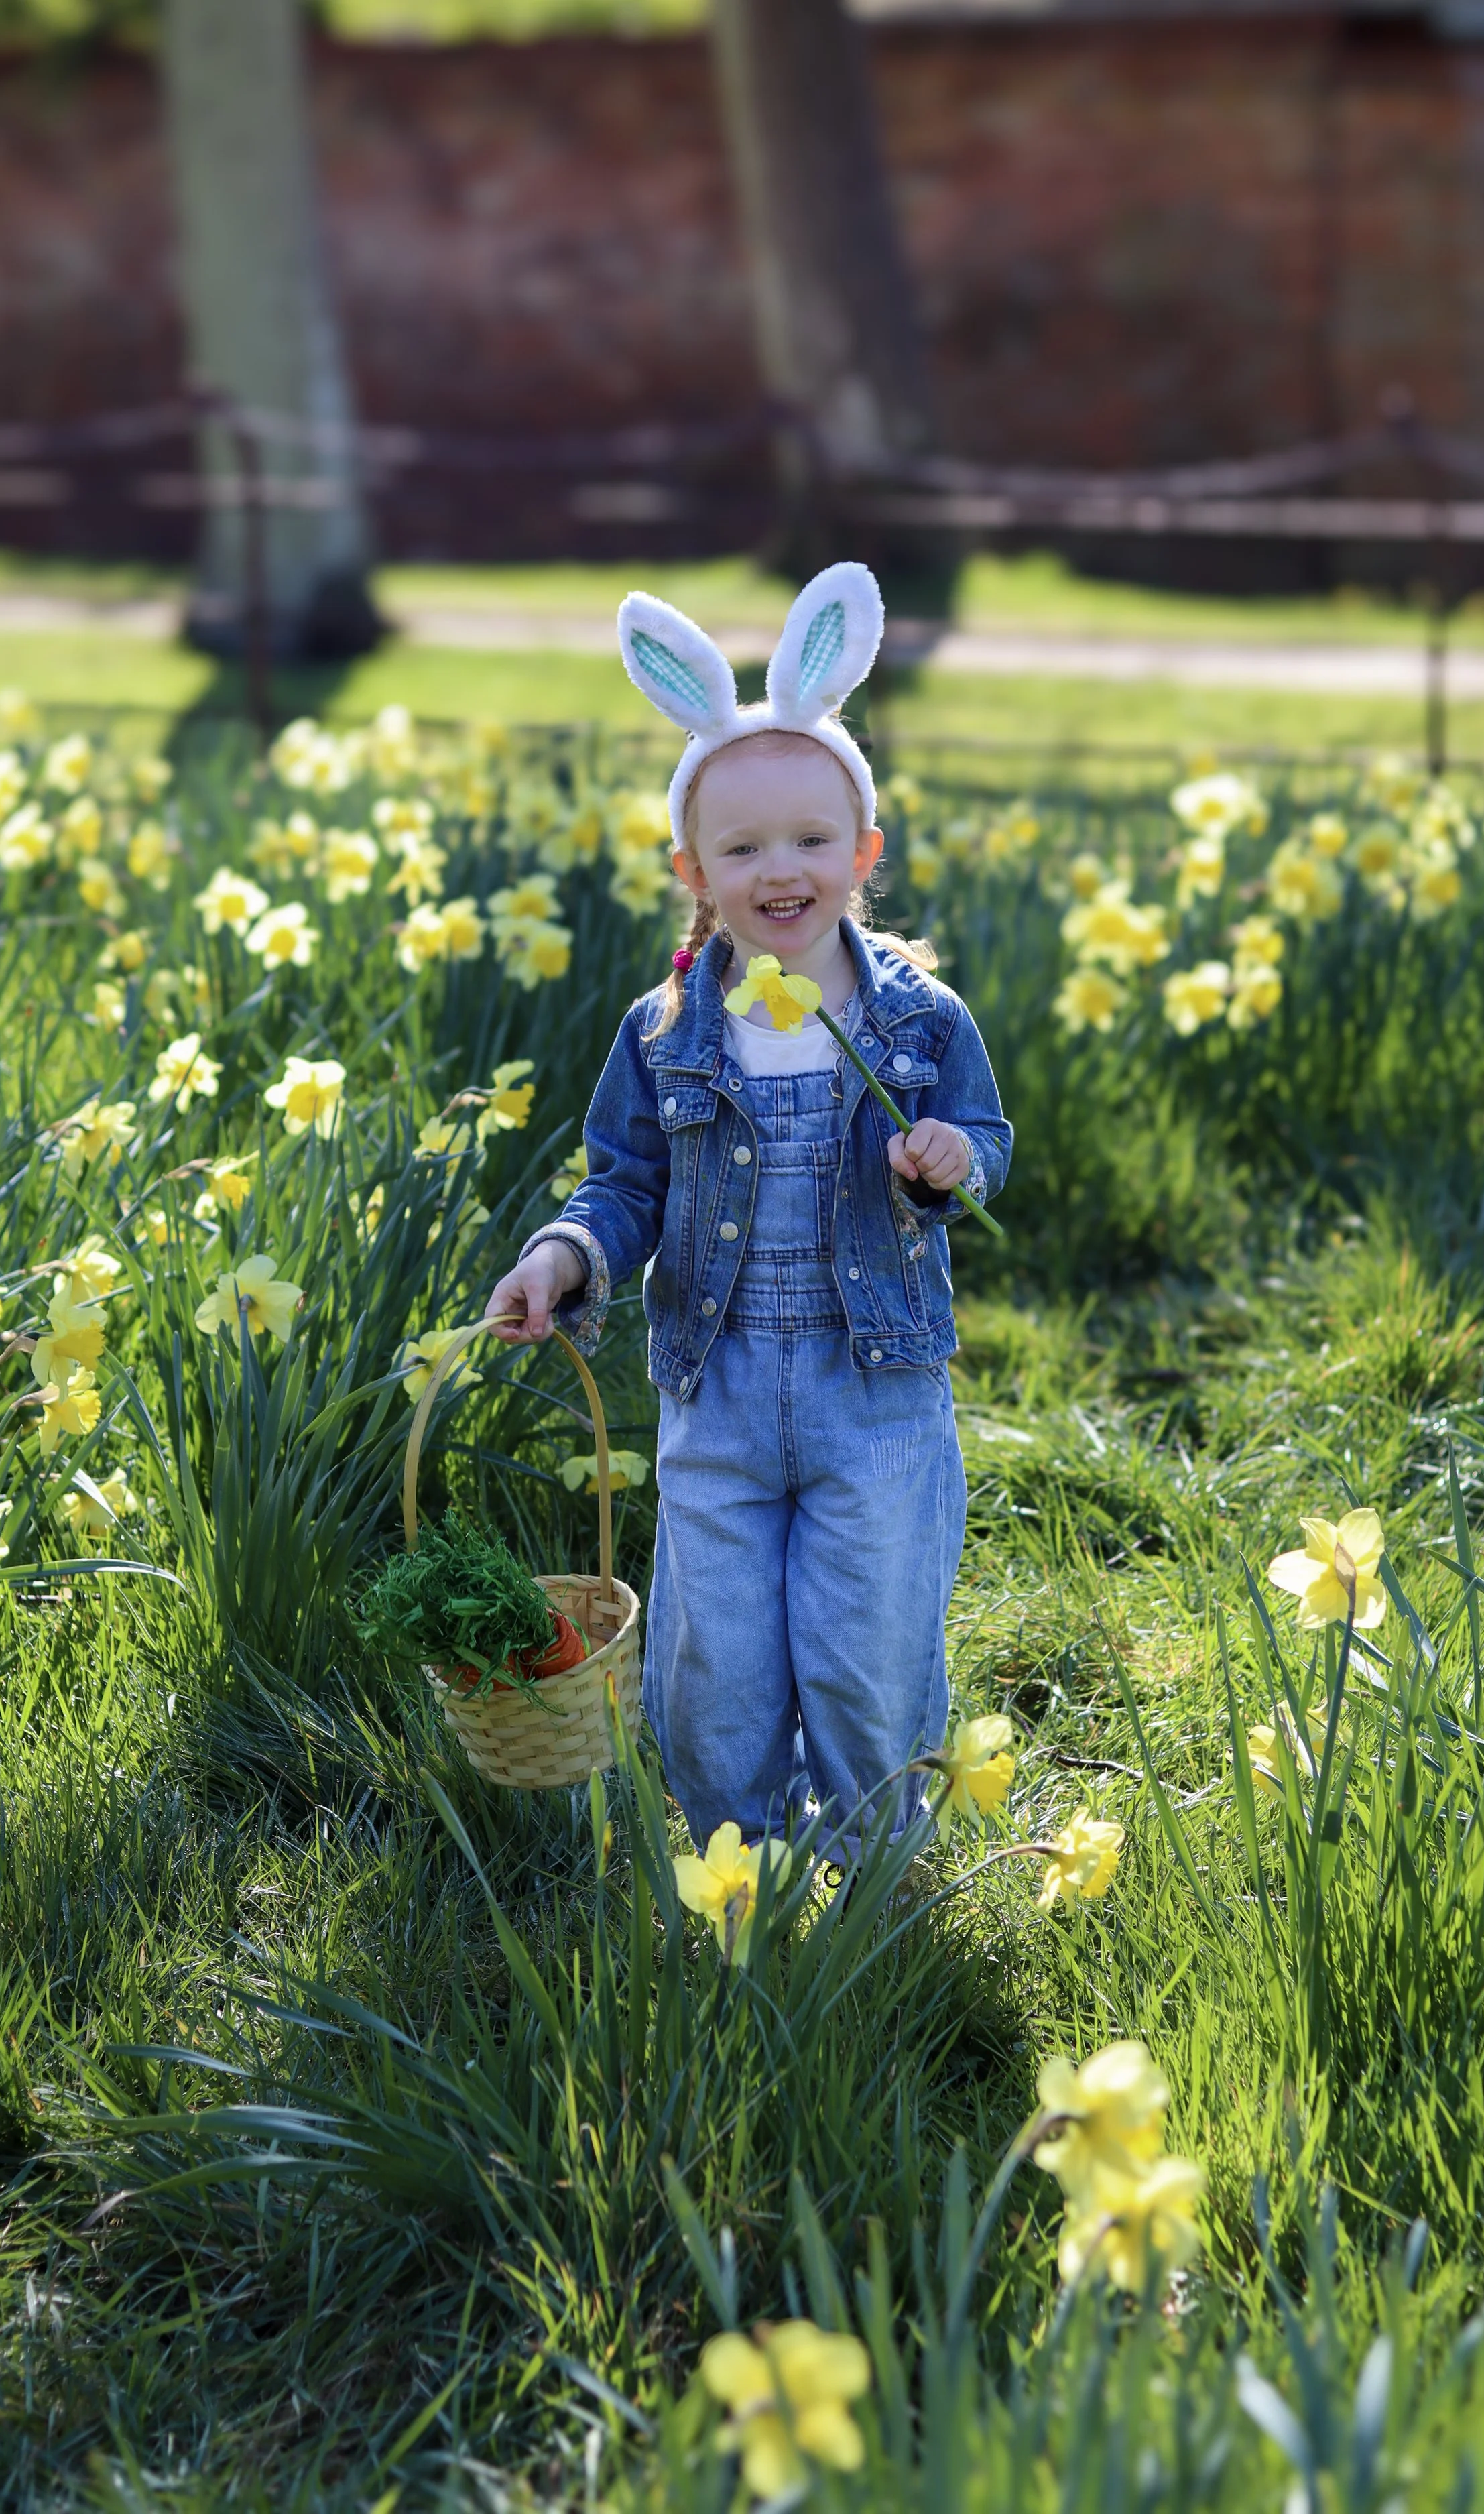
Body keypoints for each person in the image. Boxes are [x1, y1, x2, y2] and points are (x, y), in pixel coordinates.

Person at [485, 562, 1011, 1850]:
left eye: (812, 840)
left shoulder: (916, 1019)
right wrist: (564, 1254)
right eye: (744, 847)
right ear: (694, 870)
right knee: (712, 1664)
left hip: (872, 1387)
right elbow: (625, 1182)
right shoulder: (667, 1029)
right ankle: (743, 1873)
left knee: (868, 1646)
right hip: (715, 1389)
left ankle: (876, 1886)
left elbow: (983, 1133)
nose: (782, 870)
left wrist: (949, 1157)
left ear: (864, 853)